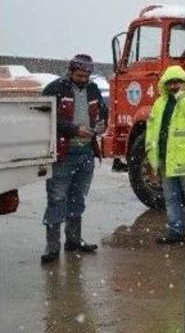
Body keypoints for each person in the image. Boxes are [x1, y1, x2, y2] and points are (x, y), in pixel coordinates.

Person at [40, 54, 108, 264]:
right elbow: (48, 118)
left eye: (86, 76)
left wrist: (101, 124)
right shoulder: (55, 89)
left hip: (86, 152)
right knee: (57, 198)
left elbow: (104, 111)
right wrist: (74, 130)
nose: (83, 79)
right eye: (79, 75)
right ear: (70, 71)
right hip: (64, 153)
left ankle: (73, 240)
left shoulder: (93, 88)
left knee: (77, 197)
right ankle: (52, 247)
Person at [145, 65, 185, 250]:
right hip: (166, 158)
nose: (174, 86)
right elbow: (152, 130)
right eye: (170, 83)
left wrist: (181, 96)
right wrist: (152, 158)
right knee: (171, 198)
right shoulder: (159, 103)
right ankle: (175, 232)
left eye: (178, 82)